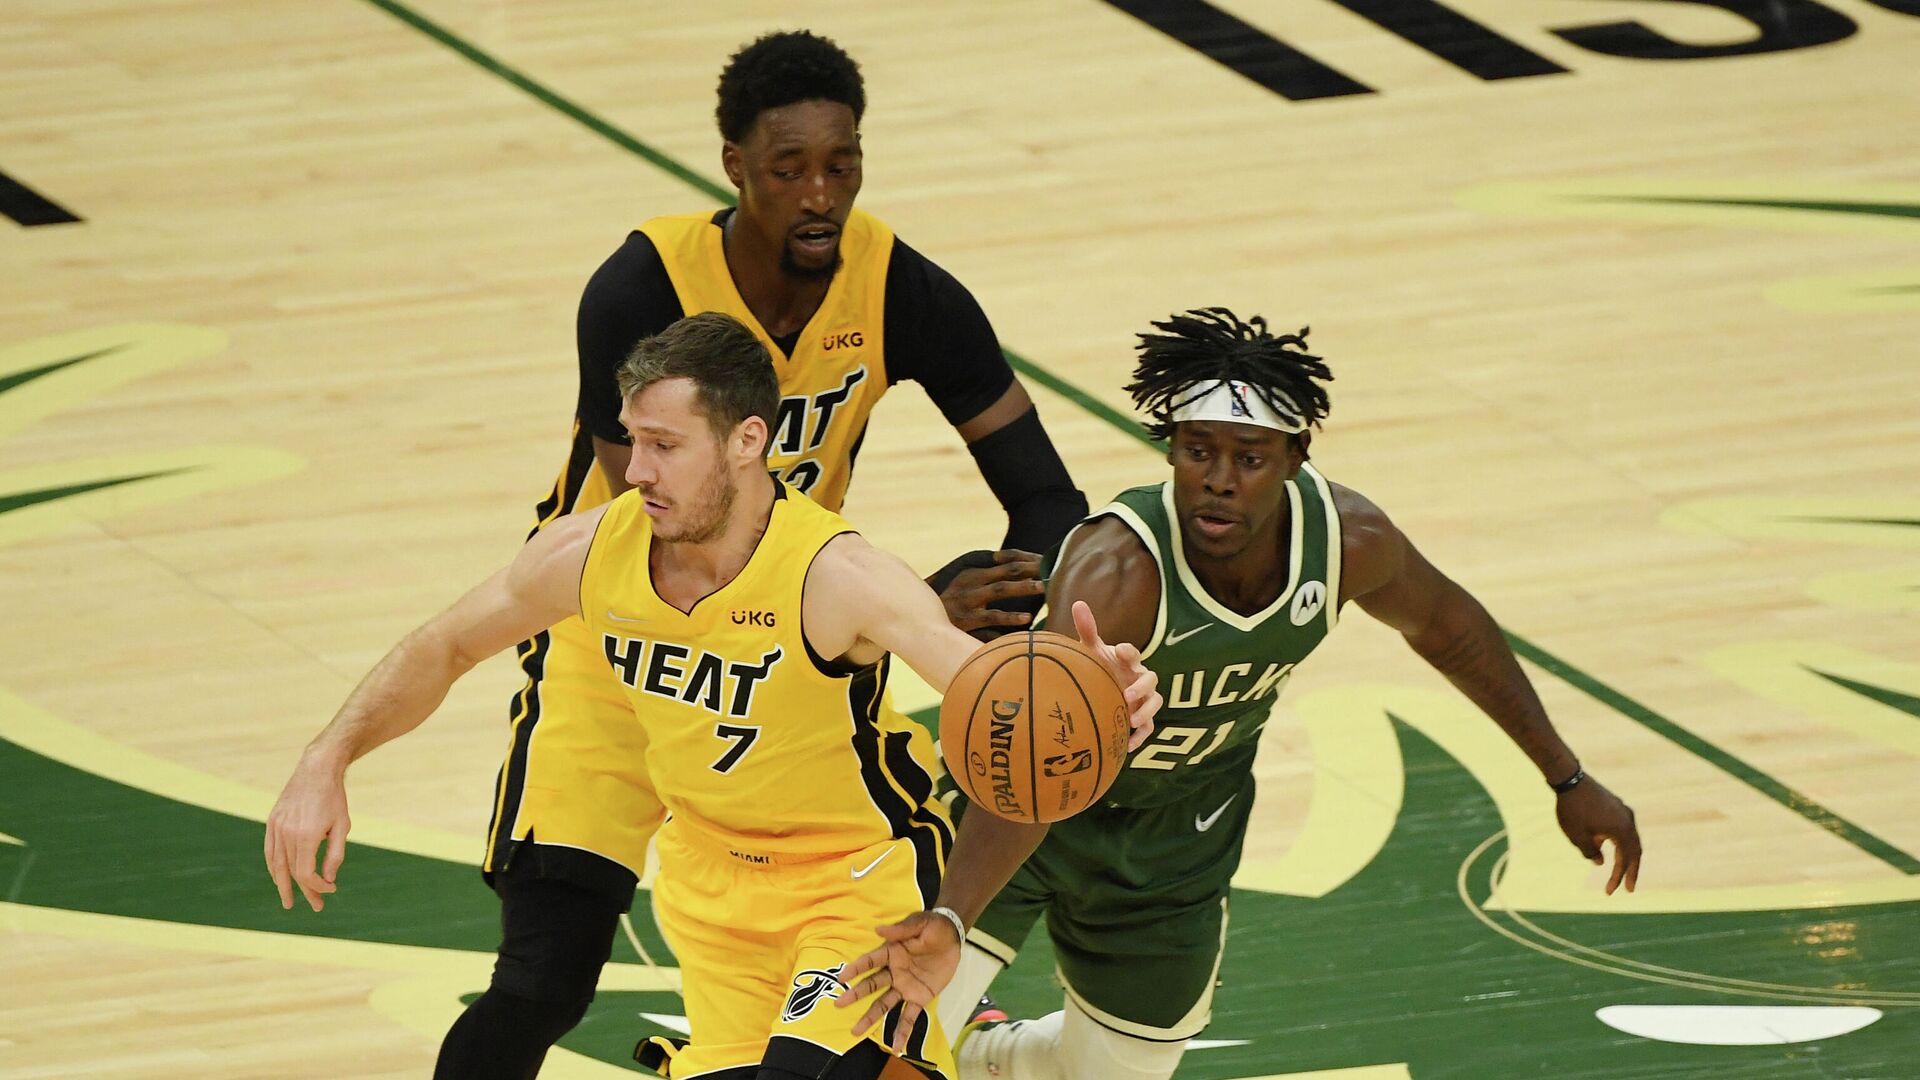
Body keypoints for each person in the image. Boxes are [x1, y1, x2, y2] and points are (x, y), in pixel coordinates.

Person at [278, 27, 1089, 1079]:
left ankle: (888, 1031)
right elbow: (653, 520)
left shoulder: (897, 293)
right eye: (790, 169)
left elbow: (1046, 497)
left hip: (785, 635)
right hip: (611, 636)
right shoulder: (642, 292)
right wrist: (326, 757)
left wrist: (965, 633)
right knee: (542, 979)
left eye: (841, 166)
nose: (820, 196)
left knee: (831, 949)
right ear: (736, 168)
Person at [265, 313, 1157, 1080]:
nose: (636, 470)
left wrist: (1099, 703)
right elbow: (446, 644)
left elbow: (982, 684)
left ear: (746, 441)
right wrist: (324, 759)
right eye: (633, 440)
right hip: (709, 894)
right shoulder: (590, 552)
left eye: (665, 446)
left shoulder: (837, 576)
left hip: (850, 885)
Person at [854, 307, 1643, 1080]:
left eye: (1249, 458)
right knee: (886, 1049)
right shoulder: (1118, 571)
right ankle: (936, 1032)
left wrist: (1567, 776)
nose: (1219, 482)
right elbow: (1032, 766)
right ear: (1171, 448)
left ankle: (986, 1052)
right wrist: (951, 916)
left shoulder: (1348, 542)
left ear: (1296, 457)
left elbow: (1451, 630)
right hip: (1022, 818)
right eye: (1199, 451)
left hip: (1178, 842)